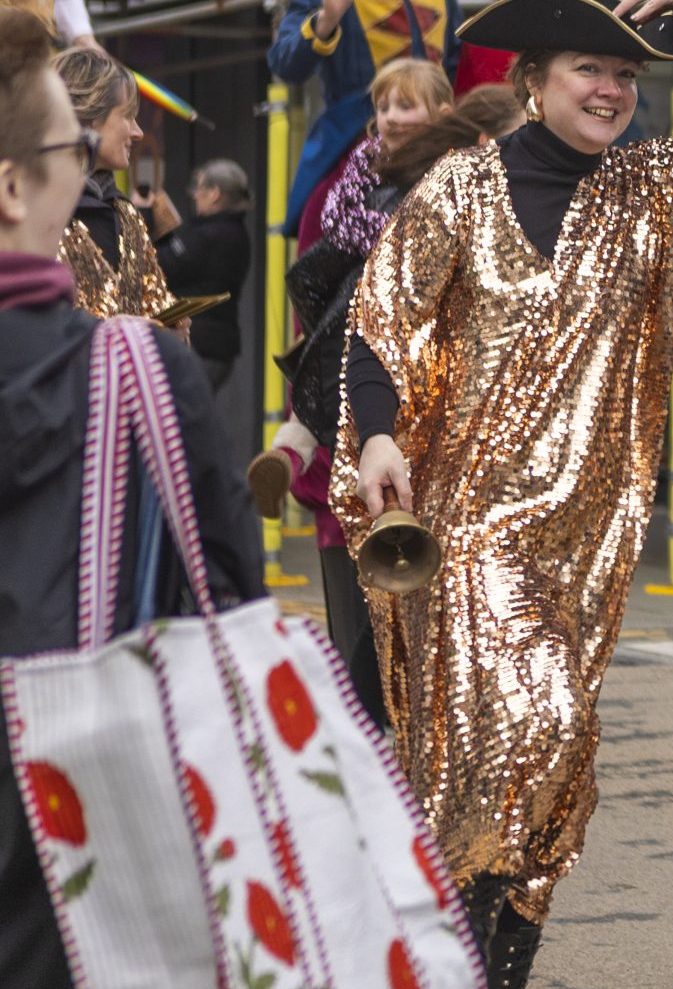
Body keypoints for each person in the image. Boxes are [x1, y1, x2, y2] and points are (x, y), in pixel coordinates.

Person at [341, 0, 673, 989]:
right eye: (589, 71)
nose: (611, 89)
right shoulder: (460, 187)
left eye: (629, 75)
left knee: (542, 774)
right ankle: (442, 983)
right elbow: (379, 322)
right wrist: (382, 435)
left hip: (585, 548)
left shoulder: (646, 188)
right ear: (532, 84)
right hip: (473, 530)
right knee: (534, 732)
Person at [0, 9, 262, 989]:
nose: (89, 183)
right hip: (88, 891)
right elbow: (232, 613)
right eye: (75, 159)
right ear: (14, 190)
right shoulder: (139, 374)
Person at [261, 84, 519, 728]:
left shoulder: (392, 185)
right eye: (384, 106)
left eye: (406, 106)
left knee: (388, 634)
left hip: (369, 414)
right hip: (387, 425)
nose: (392, 119)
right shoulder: (431, 200)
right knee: (386, 633)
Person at [269, 0, 503, 234]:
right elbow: (283, 63)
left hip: (438, 139)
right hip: (357, 141)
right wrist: (327, 18)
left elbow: (455, 60)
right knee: (318, 231)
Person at [51, 46, 178, 325]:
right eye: (127, 116)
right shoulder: (34, 213)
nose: (138, 132)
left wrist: (172, 330)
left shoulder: (126, 214)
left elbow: (154, 301)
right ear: (89, 118)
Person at [153, 159, 253, 388]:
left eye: (198, 188)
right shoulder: (234, 232)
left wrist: (146, 219)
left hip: (199, 344)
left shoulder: (209, 236)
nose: (194, 195)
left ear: (214, 193)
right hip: (217, 346)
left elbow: (162, 266)